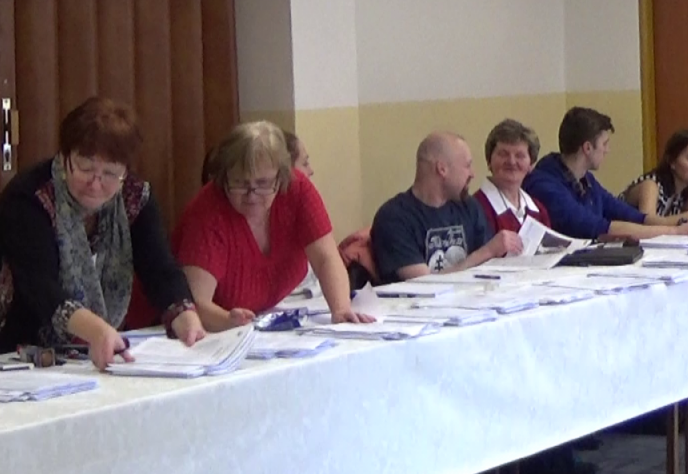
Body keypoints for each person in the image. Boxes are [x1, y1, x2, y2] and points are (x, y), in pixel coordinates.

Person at [0, 97, 205, 368]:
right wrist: (97, 330)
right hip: (2, 346)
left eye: (110, 173)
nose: (95, 184)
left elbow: (160, 268)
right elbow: (41, 287)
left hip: (80, 352)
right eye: (85, 168)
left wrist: (184, 314)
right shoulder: (28, 199)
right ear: (65, 157)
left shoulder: (135, 197)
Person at [172, 121, 371, 330]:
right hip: (202, 328)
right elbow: (195, 303)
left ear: (281, 177)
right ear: (224, 178)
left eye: (263, 183)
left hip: (257, 322)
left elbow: (325, 258)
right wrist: (228, 322)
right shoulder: (208, 211)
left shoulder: (298, 190)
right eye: (240, 183)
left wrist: (340, 309)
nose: (251, 195)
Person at [523, 107, 688, 240]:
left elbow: (634, 217)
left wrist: (687, 225)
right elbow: (599, 227)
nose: (607, 150)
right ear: (588, 148)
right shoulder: (545, 184)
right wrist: (676, 231)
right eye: (605, 144)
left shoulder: (586, 180)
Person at [372, 132, 524, 284]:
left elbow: (490, 268)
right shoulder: (394, 218)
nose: (472, 174)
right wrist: (488, 251)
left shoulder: (469, 206)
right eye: (467, 166)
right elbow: (424, 283)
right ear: (442, 169)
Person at [472, 119, 552, 233]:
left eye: (520, 155)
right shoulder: (475, 208)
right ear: (489, 161)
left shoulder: (539, 211)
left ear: (531, 164)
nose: (511, 162)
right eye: (503, 154)